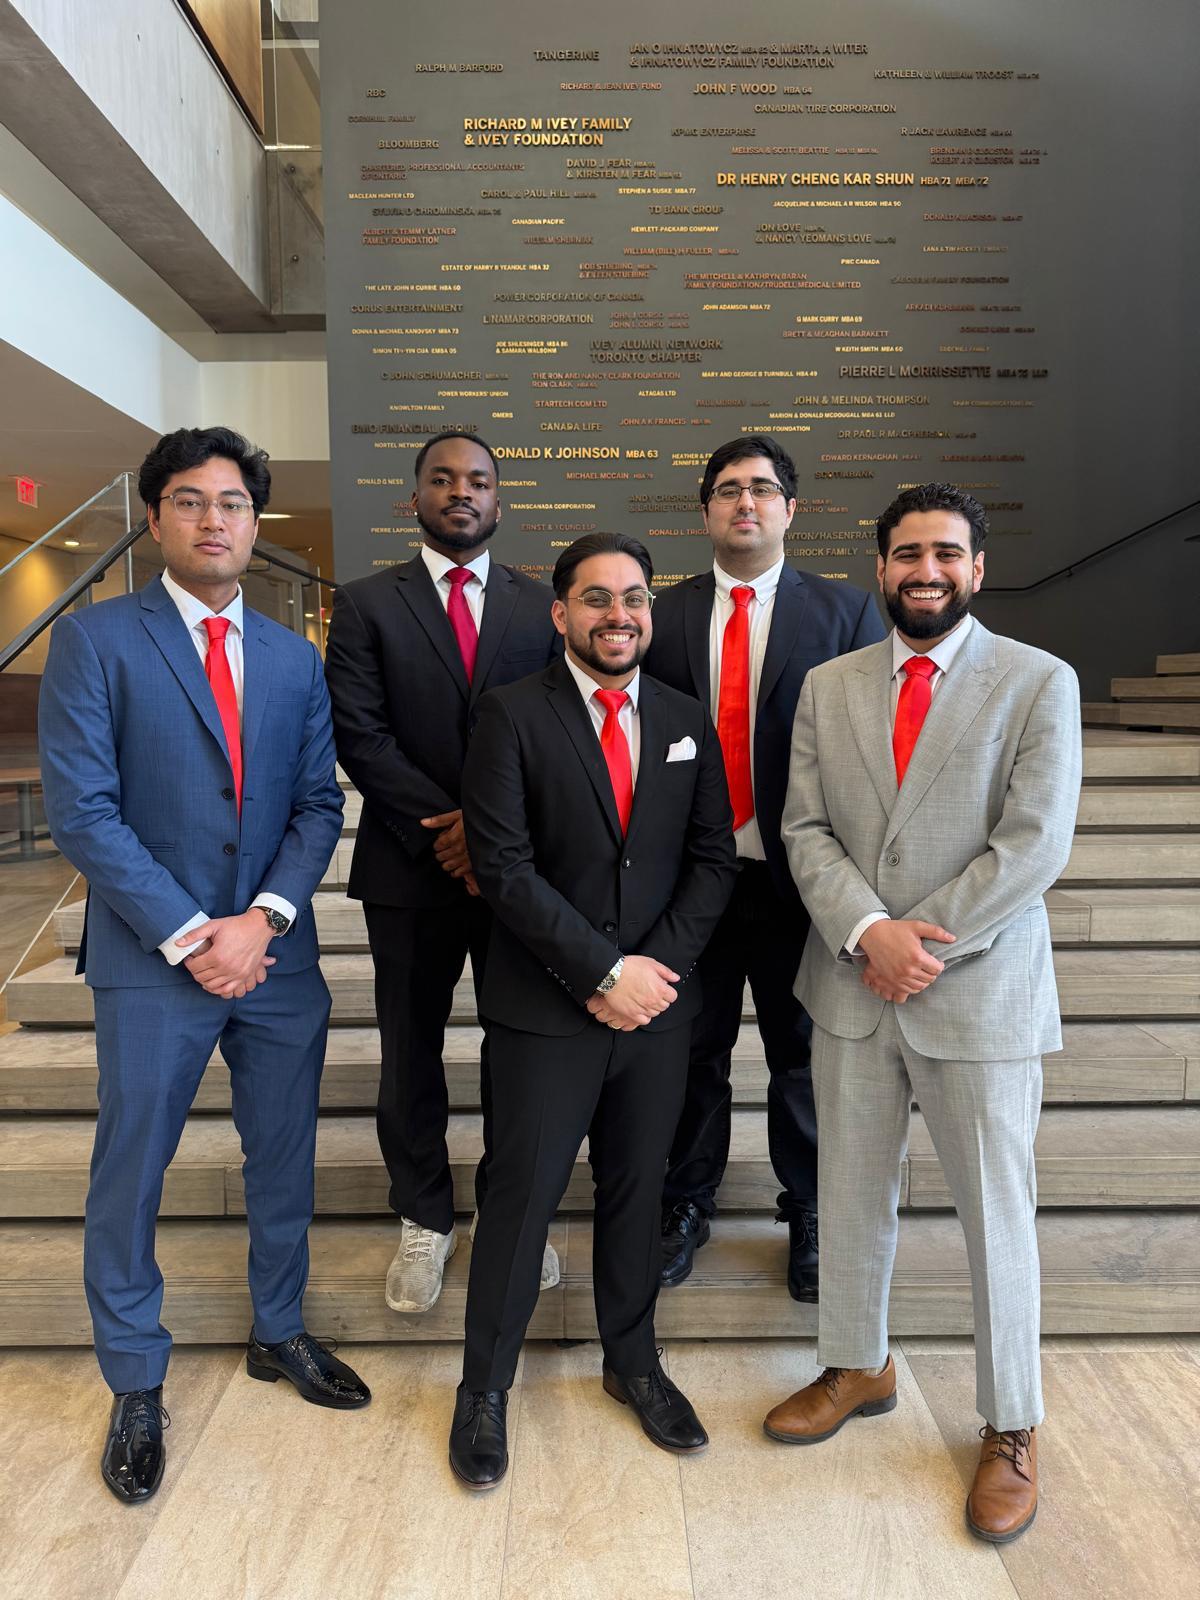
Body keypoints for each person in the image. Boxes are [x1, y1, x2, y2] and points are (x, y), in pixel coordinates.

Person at [39, 427, 367, 1506]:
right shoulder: (96, 643)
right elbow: (84, 811)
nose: (214, 519)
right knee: (130, 1168)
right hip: (149, 959)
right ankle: (135, 1376)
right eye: (190, 501)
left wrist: (263, 920)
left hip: (274, 959)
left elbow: (320, 803)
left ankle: (280, 1329)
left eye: (233, 503)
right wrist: (193, 931)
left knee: (281, 1159)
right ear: (155, 518)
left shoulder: (292, 656)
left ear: (255, 524)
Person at [764, 483, 1081, 1543]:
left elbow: (1034, 844)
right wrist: (868, 932)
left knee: (997, 1216)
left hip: (978, 989)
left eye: (946, 552)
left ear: (977, 569)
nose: (926, 570)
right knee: (849, 1194)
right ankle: (858, 1363)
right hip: (854, 985)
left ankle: (1011, 1424)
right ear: (881, 566)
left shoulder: (1039, 682)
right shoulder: (829, 685)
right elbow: (804, 828)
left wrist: (919, 938)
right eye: (906, 553)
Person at [448, 532, 737, 1489]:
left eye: (636, 598)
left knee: (638, 1192)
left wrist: (654, 972)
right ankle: (483, 1388)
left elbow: (710, 862)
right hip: (546, 1008)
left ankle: (633, 1362)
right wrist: (603, 971)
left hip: (658, 1009)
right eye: (597, 598)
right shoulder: (509, 715)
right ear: (561, 613)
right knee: (520, 1197)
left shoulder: (686, 718)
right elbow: (504, 868)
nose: (621, 615)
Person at [323, 431, 561, 1314]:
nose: (461, 492)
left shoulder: (543, 609)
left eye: (479, 481)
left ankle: (512, 1216)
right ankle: (423, 1216)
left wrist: (491, 834)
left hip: (519, 875)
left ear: (500, 501)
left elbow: (556, 734)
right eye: (443, 479)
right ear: (413, 497)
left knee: (520, 1054)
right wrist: (446, 832)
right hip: (409, 872)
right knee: (409, 1055)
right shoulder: (364, 604)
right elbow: (362, 735)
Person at [645, 435, 885, 1297]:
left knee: (802, 1055)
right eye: (727, 490)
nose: (745, 503)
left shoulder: (849, 614)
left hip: (803, 886)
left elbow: (869, 754)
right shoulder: (661, 617)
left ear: (792, 508)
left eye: (763, 489)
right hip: (693, 885)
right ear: (705, 509)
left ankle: (811, 1211)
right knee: (690, 1053)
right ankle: (684, 1203)